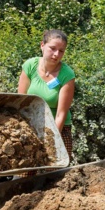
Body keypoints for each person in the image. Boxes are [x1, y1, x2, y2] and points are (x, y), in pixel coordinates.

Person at [18, 29, 76, 158]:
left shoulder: (67, 75)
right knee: (26, 172)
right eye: (52, 48)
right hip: (31, 124)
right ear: (42, 45)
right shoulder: (30, 66)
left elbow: (61, 114)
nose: (56, 54)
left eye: (61, 51)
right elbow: (20, 102)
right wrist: (25, 131)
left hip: (58, 128)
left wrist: (51, 141)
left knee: (55, 174)